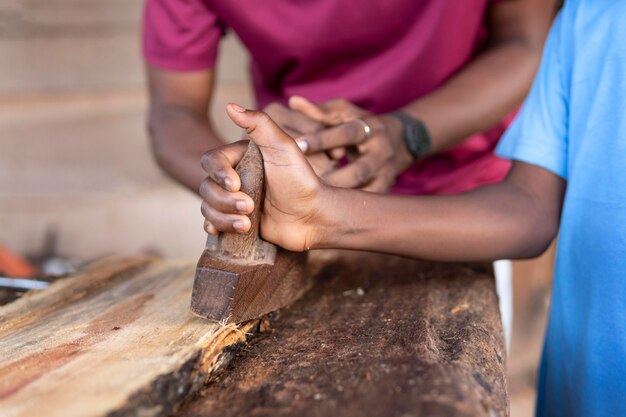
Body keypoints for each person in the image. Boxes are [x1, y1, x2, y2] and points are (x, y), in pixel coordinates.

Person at [199, 1, 626, 415]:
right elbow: (529, 208)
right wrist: (322, 211)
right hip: (584, 388)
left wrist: (403, 139)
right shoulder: (587, 17)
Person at [144, 0, 555, 348]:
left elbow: (525, 41)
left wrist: (407, 134)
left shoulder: (518, 212)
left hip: (462, 204)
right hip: (296, 209)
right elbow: (174, 111)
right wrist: (236, 184)